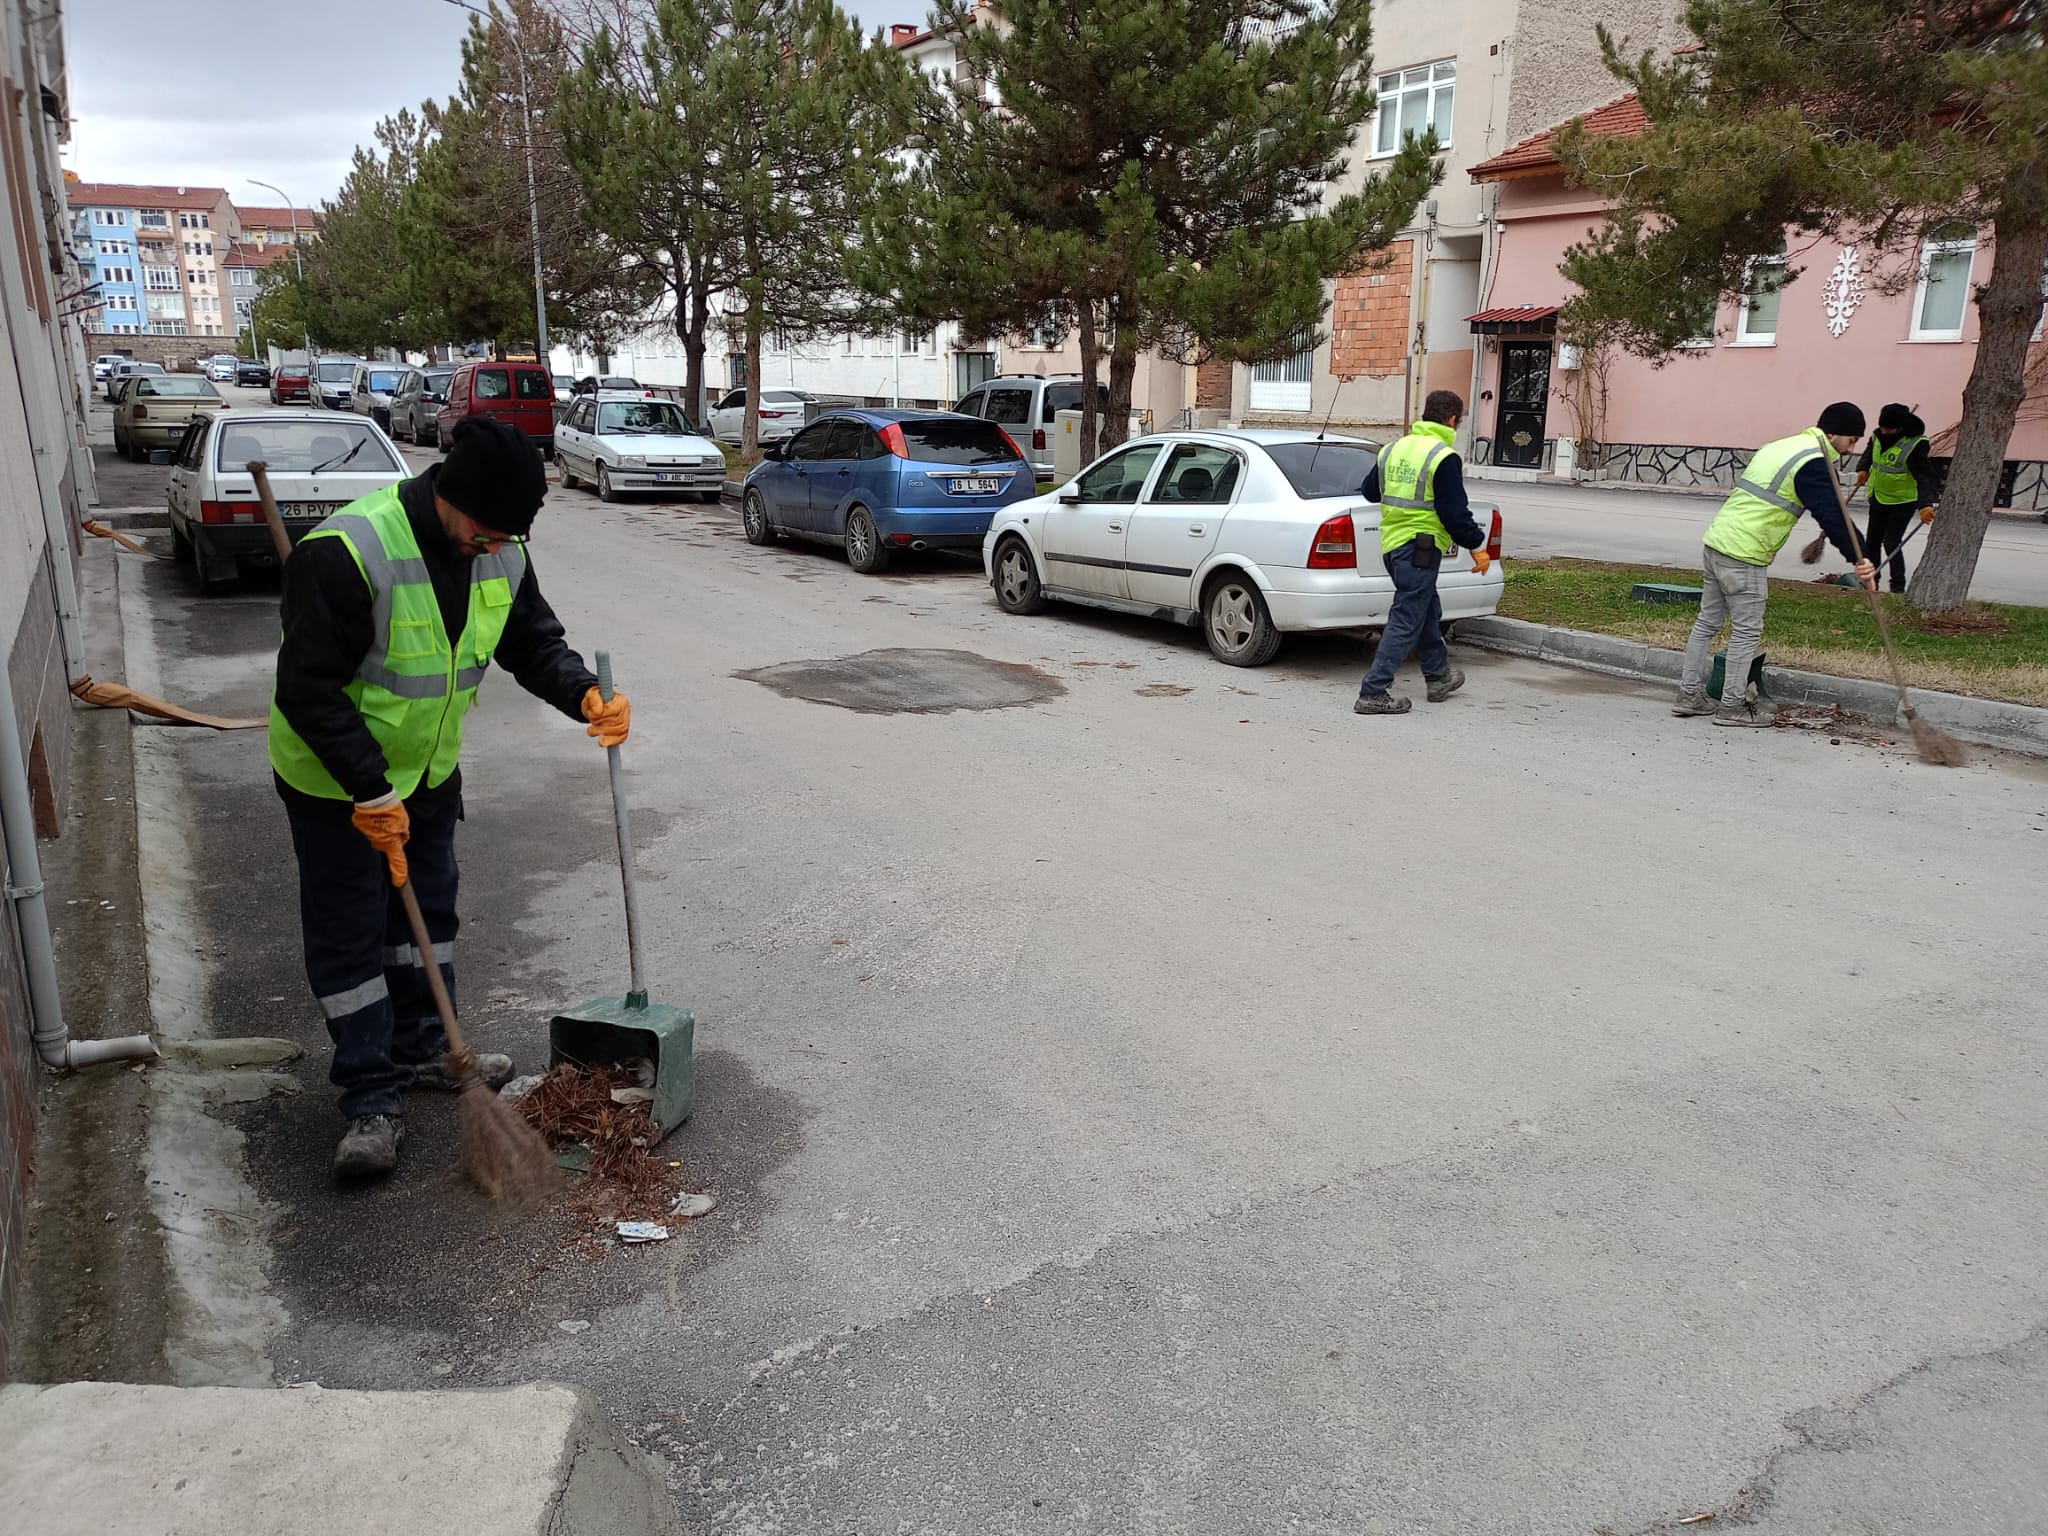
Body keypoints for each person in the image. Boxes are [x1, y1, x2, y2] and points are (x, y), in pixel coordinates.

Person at [269, 417, 632, 1180]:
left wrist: (585, 694)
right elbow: (308, 690)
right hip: (336, 784)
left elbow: (529, 641)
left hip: (429, 775)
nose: (495, 546)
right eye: (488, 530)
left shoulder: (501, 547)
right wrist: (368, 790)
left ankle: (427, 1047)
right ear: (449, 496)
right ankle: (371, 1096)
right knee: (351, 935)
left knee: (426, 920)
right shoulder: (345, 553)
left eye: (509, 536)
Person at [1674, 403, 1876, 726]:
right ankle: (1731, 707)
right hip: (1745, 552)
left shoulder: (1784, 446)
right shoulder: (1813, 461)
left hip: (1718, 540)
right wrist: (1861, 557)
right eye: (1852, 440)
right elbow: (1833, 515)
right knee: (1746, 630)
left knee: (1707, 622)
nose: (1853, 448)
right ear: (1835, 433)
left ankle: (1688, 696)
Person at [1352, 390, 1492, 715]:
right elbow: (1455, 513)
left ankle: (1438, 675)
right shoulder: (1443, 457)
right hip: (1421, 549)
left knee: (1427, 608)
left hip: (1393, 547)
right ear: (1452, 420)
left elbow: (1371, 491)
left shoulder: (1393, 449)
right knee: (1406, 618)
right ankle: (1373, 691)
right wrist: (1477, 547)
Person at [1855, 403, 1936, 594]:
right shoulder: (1877, 435)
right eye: (1883, 426)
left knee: (1891, 542)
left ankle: (1897, 585)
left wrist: (1925, 505)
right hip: (1877, 496)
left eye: (1889, 428)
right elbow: (1869, 454)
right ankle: (1872, 580)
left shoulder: (1915, 444)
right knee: (1872, 542)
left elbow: (1924, 476)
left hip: (1902, 501)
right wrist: (1863, 469)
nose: (1885, 430)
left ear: (1900, 426)